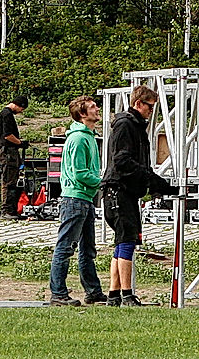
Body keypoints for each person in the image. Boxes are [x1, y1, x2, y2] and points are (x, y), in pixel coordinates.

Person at [102, 84, 174, 306]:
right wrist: (151, 180)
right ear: (138, 104)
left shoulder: (133, 126)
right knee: (127, 242)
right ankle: (127, 293)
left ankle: (114, 294)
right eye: (150, 107)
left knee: (122, 242)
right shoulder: (126, 125)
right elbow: (123, 162)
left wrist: (152, 183)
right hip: (119, 191)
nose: (151, 113)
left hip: (124, 192)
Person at [48, 95, 108, 306]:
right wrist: (102, 181)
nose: (97, 109)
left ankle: (93, 291)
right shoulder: (79, 139)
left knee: (87, 249)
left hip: (85, 198)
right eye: (92, 107)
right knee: (66, 247)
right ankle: (58, 293)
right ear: (82, 114)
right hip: (75, 198)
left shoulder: (88, 136)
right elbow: (80, 173)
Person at [0, 95, 30, 219]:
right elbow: (8, 135)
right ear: (19, 105)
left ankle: (9, 210)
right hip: (8, 152)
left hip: (4, 150)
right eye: (22, 109)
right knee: (9, 181)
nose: (21, 112)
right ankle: (7, 211)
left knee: (9, 180)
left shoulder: (3, 113)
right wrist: (20, 143)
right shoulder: (7, 115)